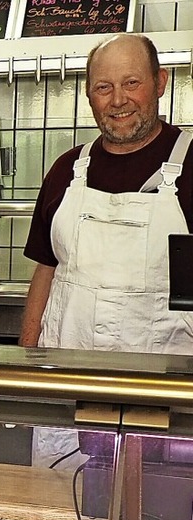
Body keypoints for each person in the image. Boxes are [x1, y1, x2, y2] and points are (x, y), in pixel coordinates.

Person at [20, 32, 193, 354]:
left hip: (163, 380)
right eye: (103, 87)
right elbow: (46, 269)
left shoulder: (191, 162)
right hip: (65, 368)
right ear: (88, 95)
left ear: (160, 82)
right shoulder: (67, 169)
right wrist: (26, 355)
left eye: (131, 83)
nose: (117, 100)